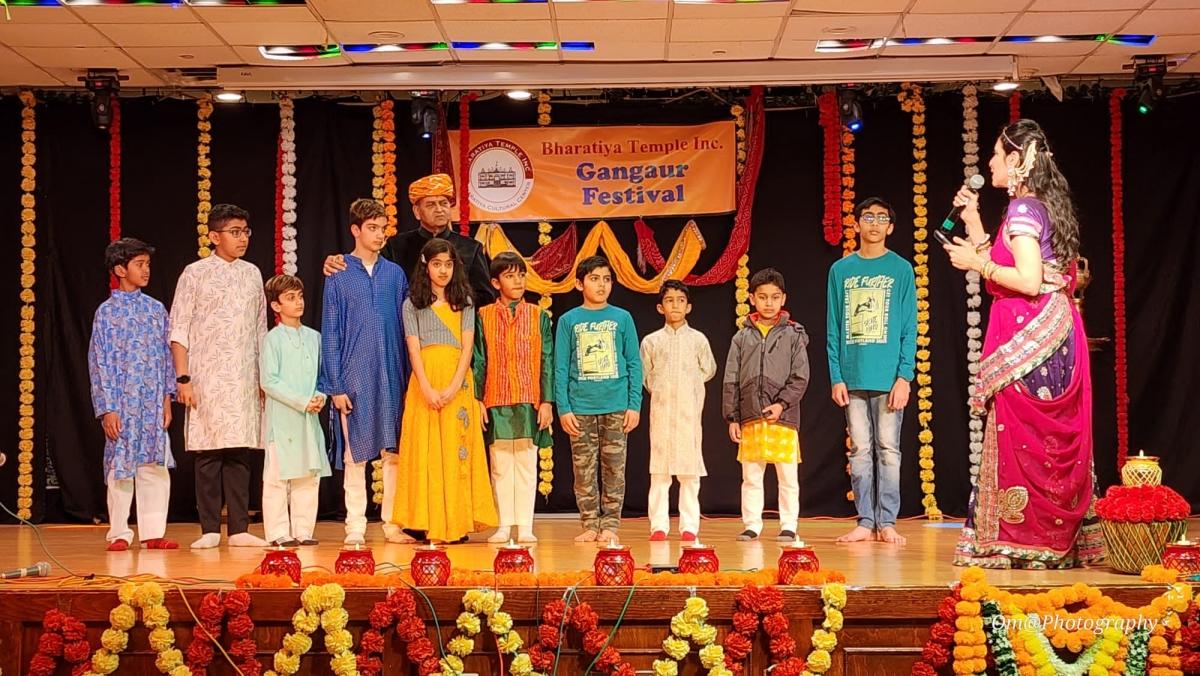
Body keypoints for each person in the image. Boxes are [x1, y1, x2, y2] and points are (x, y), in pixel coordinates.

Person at [943, 118, 1105, 569]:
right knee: (1044, 439)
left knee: (1026, 437)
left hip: (1032, 340)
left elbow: (1029, 280)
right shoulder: (1038, 207)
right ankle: (1052, 539)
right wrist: (975, 224)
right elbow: (1011, 260)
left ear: (1015, 161)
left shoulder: (1022, 212)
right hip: (1053, 333)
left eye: (996, 154)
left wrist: (977, 264)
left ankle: (1023, 539)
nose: (990, 162)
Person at [170, 204, 268, 549]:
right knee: (209, 452)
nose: (242, 239)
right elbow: (179, 328)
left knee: (240, 451)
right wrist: (183, 378)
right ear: (214, 236)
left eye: (245, 231)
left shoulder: (252, 273)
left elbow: (260, 329)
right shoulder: (195, 273)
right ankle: (210, 528)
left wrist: (262, 378)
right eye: (234, 232)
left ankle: (239, 528)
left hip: (243, 375)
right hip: (206, 375)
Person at [393, 238, 498, 543]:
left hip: (457, 382)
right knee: (424, 450)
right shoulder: (412, 303)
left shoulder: (463, 300)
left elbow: (467, 349)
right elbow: (413, 349)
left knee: (456, 451)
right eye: (437, 264)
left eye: (448, 264)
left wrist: (454, 386)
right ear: (425, 265)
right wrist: (426, 386)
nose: (443, 270)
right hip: (424, 381)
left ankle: (456, 522)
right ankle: (425, 521)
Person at [318, 198, 410, 545]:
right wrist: (335, 384)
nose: (379, 235)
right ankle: (354, 526)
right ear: (356, 230)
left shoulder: (394, 274)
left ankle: (392, 524)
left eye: (383, 228)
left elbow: (406, 328)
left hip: (391, 374)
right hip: (353, 377)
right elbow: (331, 331)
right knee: (354, 455)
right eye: (372, 228)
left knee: (393, 453)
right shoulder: (339, 275)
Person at [827, 198, 917, 545]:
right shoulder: (841, 271)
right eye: (868, 217)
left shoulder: (901, 270)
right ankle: (865, 520)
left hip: (889, 378)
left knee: (888, 450)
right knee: (860, 451)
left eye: (882, 218)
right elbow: (833, 327)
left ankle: (887, 521)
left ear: (890, 227)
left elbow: (910, 326)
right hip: (853, 377)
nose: (875, 223)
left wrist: (904, 376)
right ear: (857, 224)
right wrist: (837, 376)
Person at [88, 238, 177, 551]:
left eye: (148, 264)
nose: (146, 270)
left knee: (154, 466)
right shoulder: (107, 313)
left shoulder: (156, 310)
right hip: (122, 403)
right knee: (121, 468)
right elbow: (99, 361)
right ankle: (119, 532)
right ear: (120, 270)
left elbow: (167, 356)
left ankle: (153, 532)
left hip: (152, 402)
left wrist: (167, 397)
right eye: (140, 264)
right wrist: (107, 408)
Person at [554, 255, 643, 544]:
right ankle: (590, 523)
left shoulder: (622, 318)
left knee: (615, 468)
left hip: (616, 405)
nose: (601, 285)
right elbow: (560, 366)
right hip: (580, 407)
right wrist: (564, 408)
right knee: (583, 470)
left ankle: (611, 524)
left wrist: (634, 404)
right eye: (594, 279)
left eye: (606, 279)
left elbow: (633, 363)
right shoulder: (569, 320)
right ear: (580, 283)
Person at [722, 268, 810, 542]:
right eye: (762, 297)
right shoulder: (741, 337)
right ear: (752, 299)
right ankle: (751, 524)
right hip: (750, 416)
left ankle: (789, 525)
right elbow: (730, 379)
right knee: (751, 476)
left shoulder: (794, 334)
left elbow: (801, 376)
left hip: (781, 417)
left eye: (774, 297)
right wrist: (732, 417)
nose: (768, 303)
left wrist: (782, 404)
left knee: (787, 476)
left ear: (783, 298)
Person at [473, 252, 554, 544]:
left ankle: (526, 526)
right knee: (500, 463)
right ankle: (504, 525)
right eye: (510, 275)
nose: (518, 281)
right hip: (495, 396)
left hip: (529, 397)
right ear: (495, 282)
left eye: (521, 274)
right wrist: (477, 399)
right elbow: (479, 360)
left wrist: (547, 401)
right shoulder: (483, 316)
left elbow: (547, 358)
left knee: (526, 460)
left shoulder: (538, 315)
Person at [323, 173, 493, 305]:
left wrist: (449, 300)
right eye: (431, 205)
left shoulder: (471, 248)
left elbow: (486, 296)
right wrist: (339, 261)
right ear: (416, 212)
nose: (439, 209)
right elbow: (370, 272)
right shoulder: (396, 246)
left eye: (444, 203)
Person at [640, 280, 717, 542]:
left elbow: (708, 369)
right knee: (659, 473)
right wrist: (664, 389)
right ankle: (659, 526)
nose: (675, 305)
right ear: (660, 307)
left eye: (680, 300)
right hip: (661, 413)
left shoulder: (698, 340)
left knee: (689, 473)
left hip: (688, 413)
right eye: (670, 300)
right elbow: (645, 375)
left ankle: (689, 526)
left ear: (689, 306)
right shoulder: (651, 341)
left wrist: (687, 387)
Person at [260, 274, 330, 547]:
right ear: (276, 306)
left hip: (309, 416)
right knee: (279, 476)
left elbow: (323, 376)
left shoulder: (314, 337)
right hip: (284, 417)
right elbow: (269, 381)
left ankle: (303, 530)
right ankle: (278, 533)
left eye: (300, 296)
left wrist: (319, 396)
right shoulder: (273, 339)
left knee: (307, 475)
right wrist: (301, 401)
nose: (298, 302)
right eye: (290, 298)